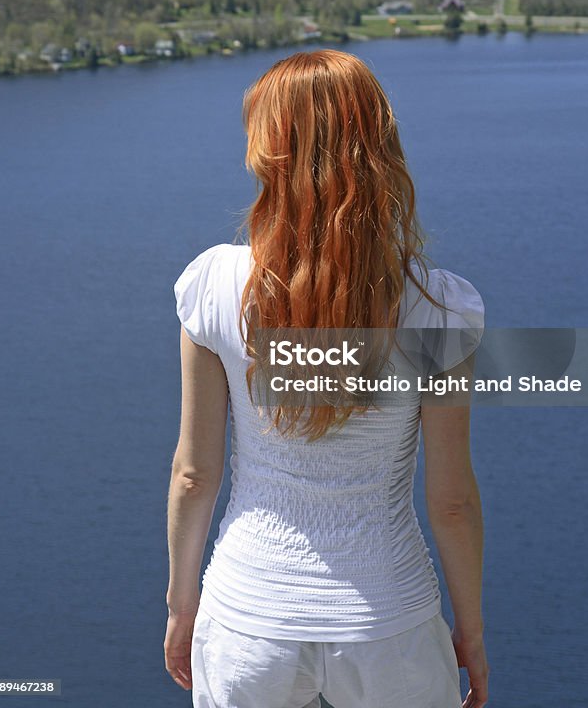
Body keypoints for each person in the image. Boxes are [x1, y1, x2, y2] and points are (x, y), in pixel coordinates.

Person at [165, 50, 489, 708]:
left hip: (249, 616)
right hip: (388, 623)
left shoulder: (214, 287)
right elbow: (451, 501)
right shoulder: (440, 308)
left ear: (268, 151)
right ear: (380, 147)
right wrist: (471, 633)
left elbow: (194, 476)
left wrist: (180, 603)